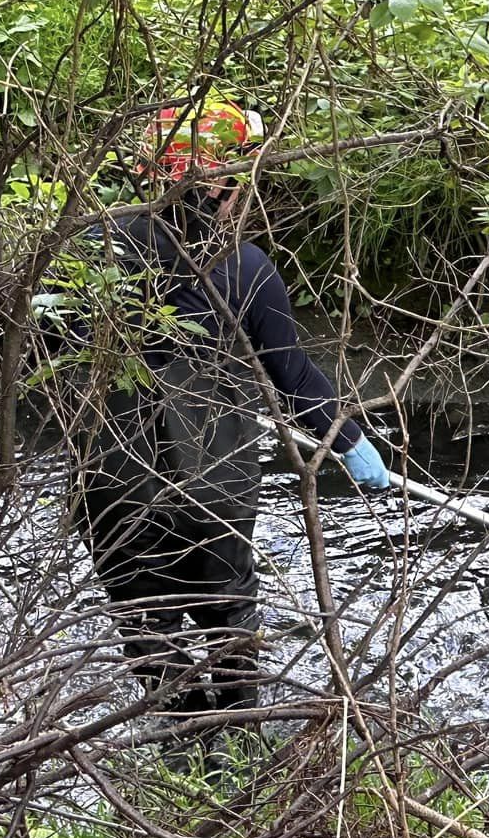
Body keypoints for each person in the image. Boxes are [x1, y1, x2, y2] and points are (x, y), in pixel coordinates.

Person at [72, 99, 394, 719]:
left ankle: (186, 731)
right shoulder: (244, 266)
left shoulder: (91, 244)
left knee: (145, 615)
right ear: (219, 180)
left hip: (113, 477)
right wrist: (348, 438)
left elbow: (42, 343)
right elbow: (292, 375)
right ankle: (243, 731)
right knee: (229, 607)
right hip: (213, 476)